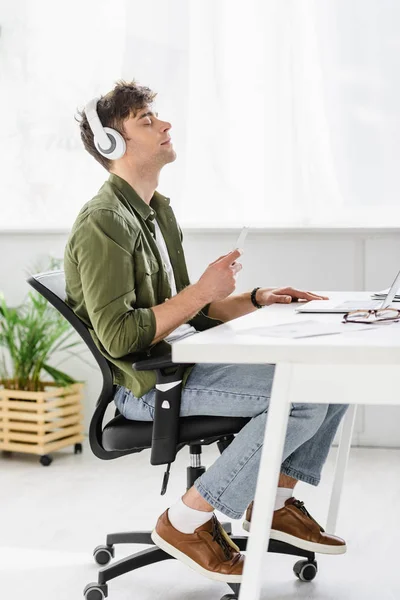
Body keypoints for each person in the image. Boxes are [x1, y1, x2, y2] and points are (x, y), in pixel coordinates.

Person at [64, 79, 348, 584]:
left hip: (184, 365)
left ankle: (273, 504)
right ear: (111, 143)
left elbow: (187, 314)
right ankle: (186, 522)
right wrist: (201, 291)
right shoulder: (103, 221)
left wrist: (253, 298)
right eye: (146, 121)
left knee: (331, 376)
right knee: (300, 397)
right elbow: (119, 338)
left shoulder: (154, 212)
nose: (165, 124)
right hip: (150, 387)